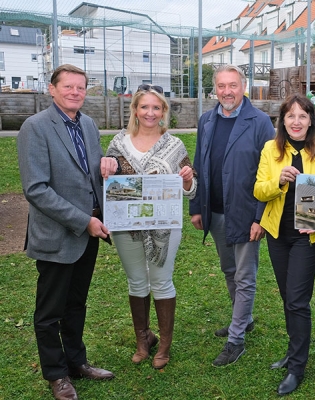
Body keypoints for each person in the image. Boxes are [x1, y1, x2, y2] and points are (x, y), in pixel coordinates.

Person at [17, 64, 119, 400]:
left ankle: (77, 362)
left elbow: (89, 173)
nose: (75, 92)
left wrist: (107, 164)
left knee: (76, 304)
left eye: (81, 87)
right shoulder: (35, 127)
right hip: (58, 234)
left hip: (87, 234)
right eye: (68, 87)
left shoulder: (88, 124)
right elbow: (37, 189)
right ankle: (57, 374)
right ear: (52, 89)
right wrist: (82, 221)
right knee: (50, 312)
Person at [253, 93, 315, 395]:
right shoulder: (271, 149)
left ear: (311, 120)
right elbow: (259, 190)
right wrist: (279, 180)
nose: (296, 121)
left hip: (307, 238)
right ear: (282, 121)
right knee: (287, 297)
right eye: (290, 115)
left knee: (297, 300)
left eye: (303, 115)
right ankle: (293, 351)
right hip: (277, 235)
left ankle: (297, 367)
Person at [106, 84, 196, 369]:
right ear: (135, 109)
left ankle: (165, 346)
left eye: (156, 107)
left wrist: (186, 180)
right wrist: (106, 168)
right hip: (127, 225)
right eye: (144, 106)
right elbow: (109, 185)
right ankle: (144, 339)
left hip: (164, 226)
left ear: (163, 112)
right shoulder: (118, 143)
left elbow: (191, 190)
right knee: (136, 281)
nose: (150, 112)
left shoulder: (174, 146)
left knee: (161, 280)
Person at [189, 64, 275, 367]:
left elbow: (270, 172)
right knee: (229, 271)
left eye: (233, 85)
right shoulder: (207, 120)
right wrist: (196, 206)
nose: (227, 91)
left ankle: (236, 339)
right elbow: (200, 162)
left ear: (243, 86)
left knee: (245, 276)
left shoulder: (261, 122)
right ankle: (244, 319)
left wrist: (260, 217)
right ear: (215, 88)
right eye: (222, 86)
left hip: (246, 212)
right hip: (215, 212)